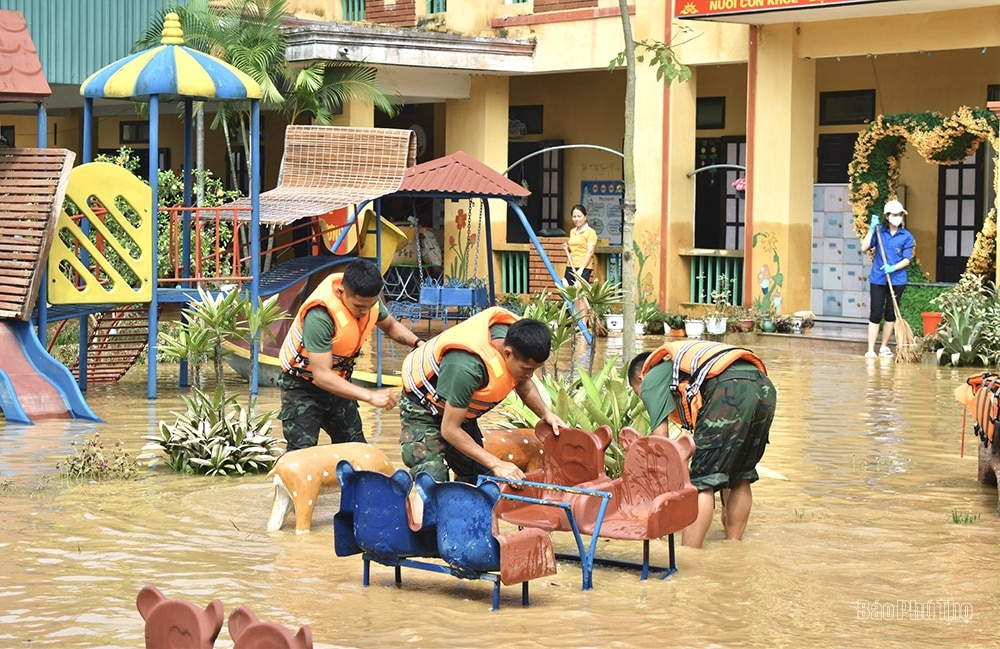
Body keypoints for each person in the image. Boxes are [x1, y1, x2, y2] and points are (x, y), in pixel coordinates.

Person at [627, 340, 776, 548]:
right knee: (741, 476)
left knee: (701, 483)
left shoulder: (650, 378)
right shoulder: (685, 371)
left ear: (641, 377)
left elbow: (661, 441)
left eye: (639, 394)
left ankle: (690, 556)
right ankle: (733, 548)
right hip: (764, 387)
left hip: (728, 388)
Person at [399, 306, 566, 484]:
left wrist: (547, 414)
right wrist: (497, 463)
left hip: (459, 410)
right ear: (507, 354)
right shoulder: (466, 368)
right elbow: (449, 430)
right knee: (432, 480)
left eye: (535, 370)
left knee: (480, 476)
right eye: (527, 369)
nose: (530, 375)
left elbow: (523, 385)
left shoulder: (518, 343)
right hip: (424, 407)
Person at [278, 259, 424, 452]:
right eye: (359, 306)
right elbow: (322, 376)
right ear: (341, 292)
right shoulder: (320, 316)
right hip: (303, 387)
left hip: (339, 385)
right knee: (301, 453)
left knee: (357, 451)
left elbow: (390, 325)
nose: (365, 311)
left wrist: (419, 344)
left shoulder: (368, 300)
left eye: (370, 305)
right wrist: (370, 396)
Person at [861, 199, 915, 358]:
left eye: (900, 215)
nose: (898, 217)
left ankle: (884, 347)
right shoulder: (878, 232)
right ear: (887, 216)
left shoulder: (906, 236)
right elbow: (864, 248)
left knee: (890, 314)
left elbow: (907, 260)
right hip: (878, 278)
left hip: (897, 280)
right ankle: (871, 349)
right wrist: (871, 230)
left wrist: (893, 267)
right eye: (895, 214)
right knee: (875, 312)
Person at [563, 204, 598, 285]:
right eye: (574, 216)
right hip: (570, 265)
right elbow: (573, 248)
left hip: (583, 267)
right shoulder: (572, 231)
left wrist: (581, 269)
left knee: (581, 294)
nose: (576, 219)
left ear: (585, 217)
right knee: (568, 291)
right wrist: (567, 248)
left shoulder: (590, 232)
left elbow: (590, 252)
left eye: (579, 216)